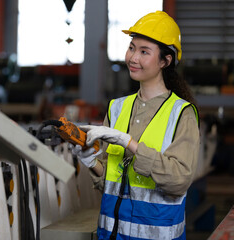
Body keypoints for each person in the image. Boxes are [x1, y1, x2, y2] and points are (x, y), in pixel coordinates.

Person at [73, 11, 200, 240]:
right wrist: (90, 160)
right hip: (111, 235)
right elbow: (110, 183)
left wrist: (129, 143)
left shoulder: (182, 114)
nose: (133, 57)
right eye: (132, 48)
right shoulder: (117, 108)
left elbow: (179, 180)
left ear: (165, 60)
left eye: (144, 52)